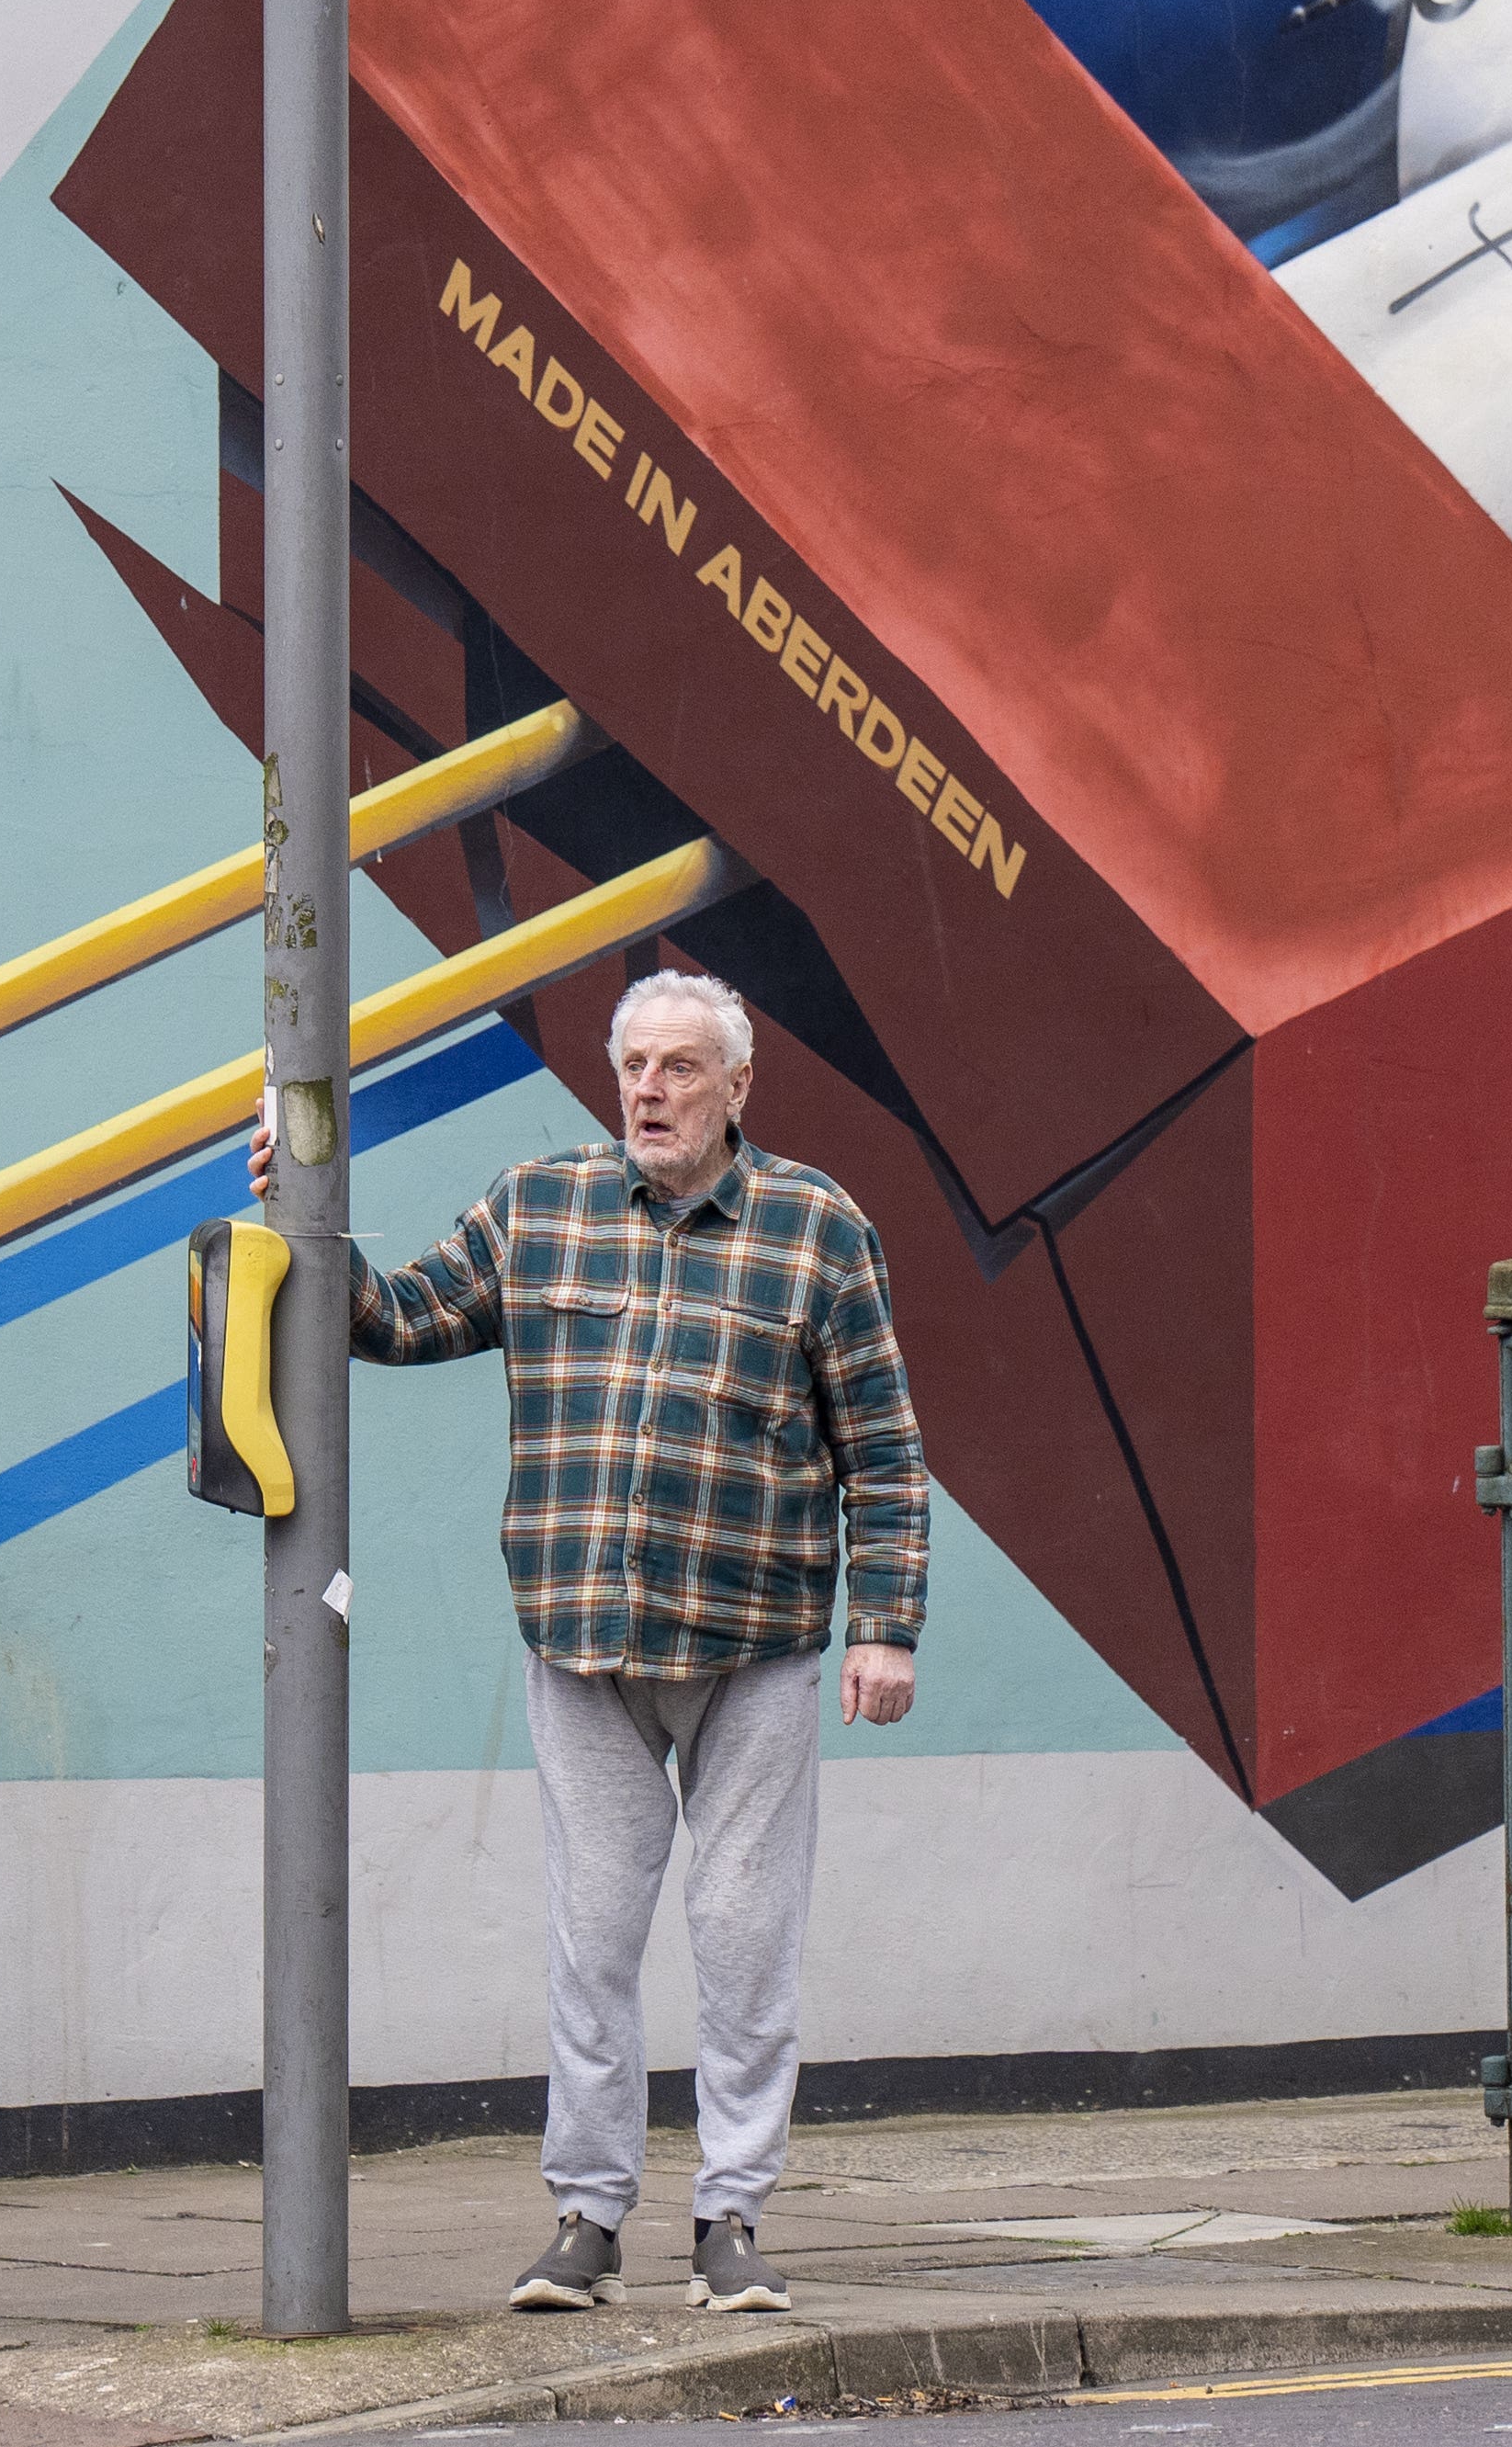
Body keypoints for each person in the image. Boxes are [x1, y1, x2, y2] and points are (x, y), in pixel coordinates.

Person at [255, 969, 929, 2317]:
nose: (649, 1089)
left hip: (758, 1643)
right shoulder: (538, 1205)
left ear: (738, 1086)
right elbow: (394, 1318)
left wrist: (886, 1630)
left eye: (681, 1067)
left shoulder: (816, 1229)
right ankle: (586, 2213)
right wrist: (298, 1212)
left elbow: (885, 1448)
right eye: (634, 1063)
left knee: (742, 1938)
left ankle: (730, 2213)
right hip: (579, 1637)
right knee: (592, 1937)